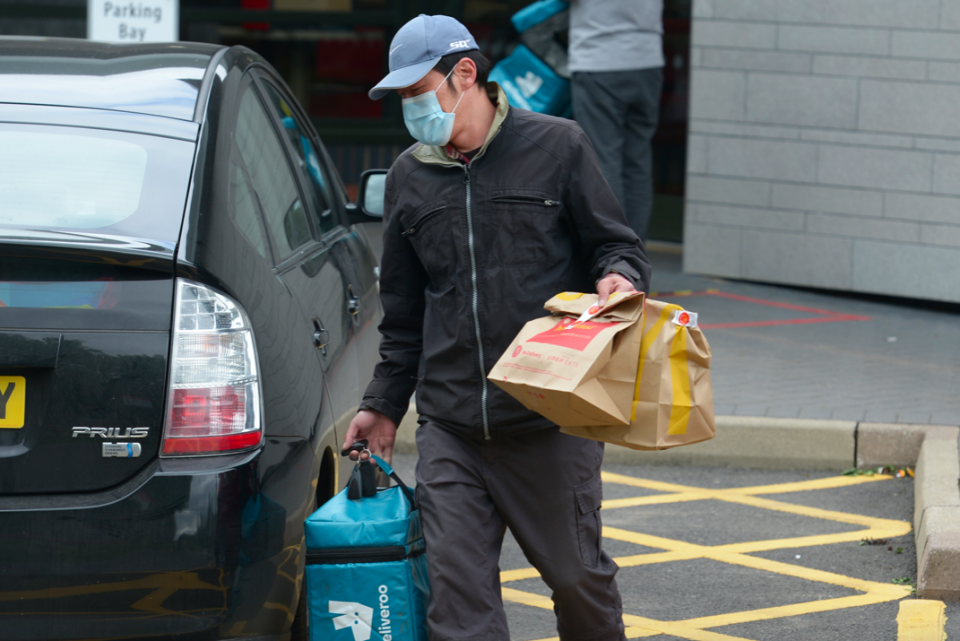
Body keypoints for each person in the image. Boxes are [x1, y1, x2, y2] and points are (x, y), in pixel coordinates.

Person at [342, 14, 651, 641]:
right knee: (459, 611)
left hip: (547, 420)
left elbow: (614, 244)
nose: (410, 107)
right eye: (401, 97)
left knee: (577, 582)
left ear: (465, 74)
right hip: (453, 428)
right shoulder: (409, 175)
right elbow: (403, 314)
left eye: (416, 90)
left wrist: (617, 276)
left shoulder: (559, 145)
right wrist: (382, 405)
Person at [566, 0, 664, 241]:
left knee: (603, 159)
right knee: (638, 163)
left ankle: (615, 254)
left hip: (600, 59)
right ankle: (635, 254)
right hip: (648, 61)